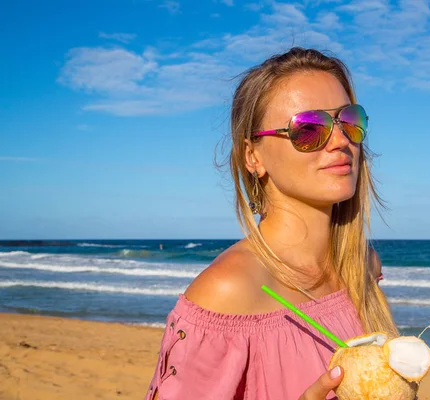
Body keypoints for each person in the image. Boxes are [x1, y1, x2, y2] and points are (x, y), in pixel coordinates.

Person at [144, 47, 398, 400]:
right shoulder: (228, 292)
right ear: (253, 156)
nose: (341, 141)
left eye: (350, 121)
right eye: (308, 129)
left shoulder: (363, 267)